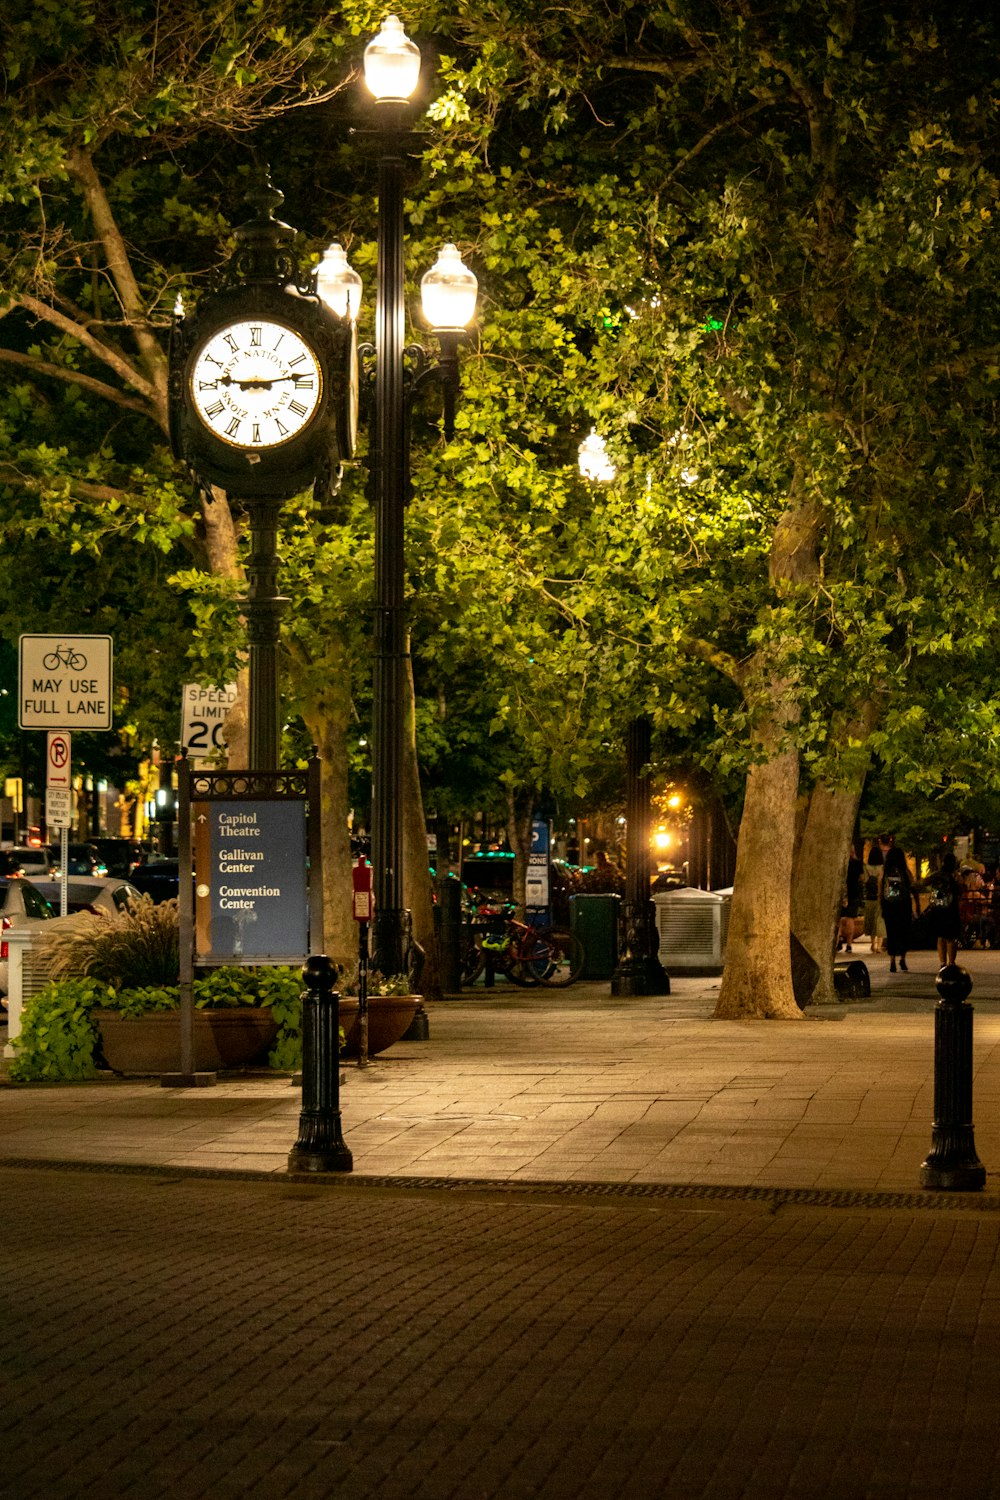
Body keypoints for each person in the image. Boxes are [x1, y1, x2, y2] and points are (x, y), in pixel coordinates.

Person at [920, 852, 963, 968]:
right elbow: (961, 890)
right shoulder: (954, 876)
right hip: (951, 909)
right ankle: (951, 962)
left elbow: (924, 882)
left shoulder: (937, 874)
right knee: (951, 937)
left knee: (940, 937)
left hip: (938, 909)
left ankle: (942, 962)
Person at [880, 845, 916, 974]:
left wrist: (882, 905)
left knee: (891, 933)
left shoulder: (886, 871)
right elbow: (912, 884)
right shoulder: (904, 871)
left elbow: (881, 889)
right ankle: (903, 959)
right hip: (903, 905)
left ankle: (892, 961)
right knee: (903, 932)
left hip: (889, 906)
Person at [838, 843, 864, 953]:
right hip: (854, 893)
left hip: (841, 893)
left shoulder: (842, 863)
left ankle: (838, 941)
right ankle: (849, 944)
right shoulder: (858, 864)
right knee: (850, 919)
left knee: (838, 919)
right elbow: (862, 878)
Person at [863, 840, 886, 954]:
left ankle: (872, 945)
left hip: (869, 897)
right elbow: (882, 882)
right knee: (880, 921)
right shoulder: (882, 867)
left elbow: (865, 881)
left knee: (871, 920)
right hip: (879, 897)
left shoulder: (866, 867)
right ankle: (879, 946)